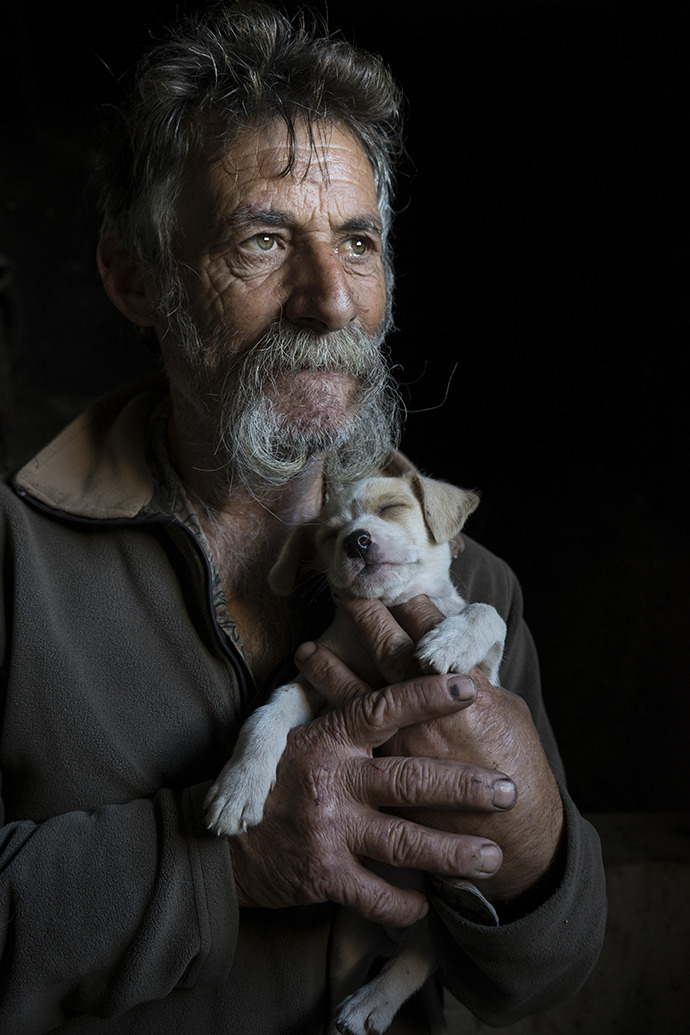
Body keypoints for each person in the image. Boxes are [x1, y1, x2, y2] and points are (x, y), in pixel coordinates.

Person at [0, 3, 606, 1032]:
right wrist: (216, 863)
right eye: (265, 238)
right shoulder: (19, 567)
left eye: (358, 241)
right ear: (134, 278)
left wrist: (533, 839)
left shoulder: (472, 582)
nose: (330, 301)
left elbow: (548, 975)